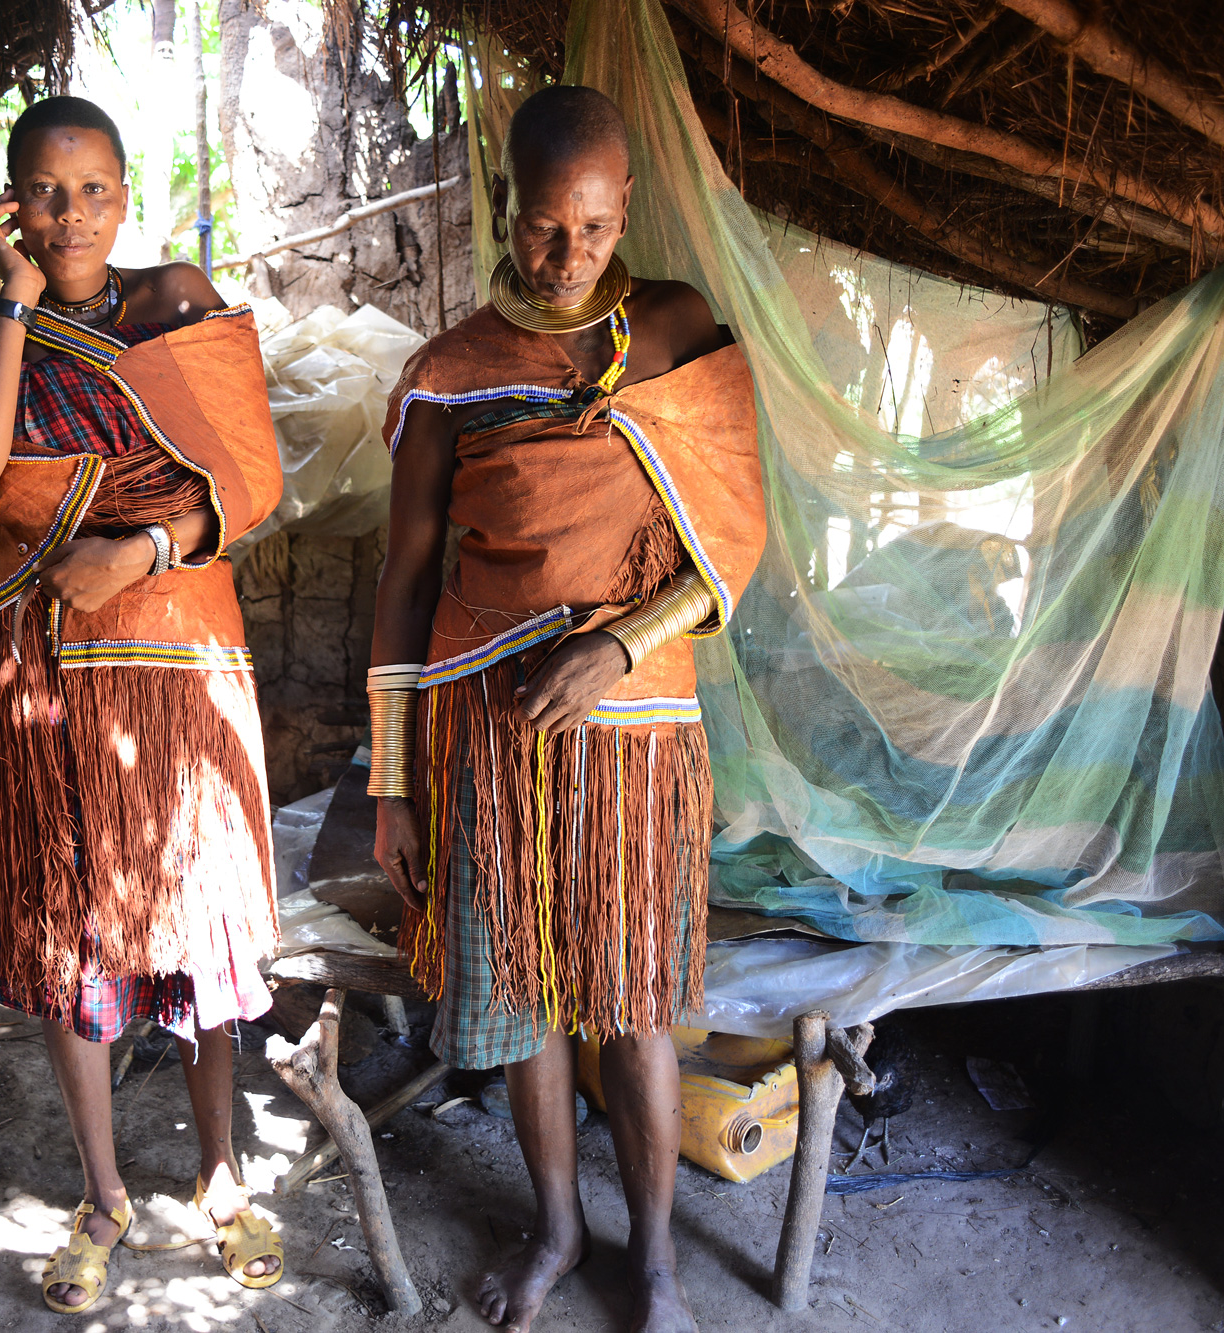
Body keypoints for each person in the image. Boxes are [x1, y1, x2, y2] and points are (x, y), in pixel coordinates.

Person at [368, 85, 766, 1333]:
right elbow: (405, 583)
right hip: (489, 742)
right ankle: (555, 1228)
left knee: (640, 1004)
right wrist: (390, 780)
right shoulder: (449, 373)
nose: (568, 256)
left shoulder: (678, 335)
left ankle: (650, 1261)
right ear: (507, 202)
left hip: (638, 737)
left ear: (626, 210)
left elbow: (734, 545)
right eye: (546, 227)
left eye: (593, 230)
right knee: (524, 1000)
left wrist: (619, 645)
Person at [0, 95, 285, 1315]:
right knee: (69, 932)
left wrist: (139, 550)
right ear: (6, 202)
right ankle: (106, 1190)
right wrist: (15, 297)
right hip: (40, 680)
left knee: (198, 928)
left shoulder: (176, 302)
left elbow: (250, 482)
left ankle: (221, 1173)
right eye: (41, 191)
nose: (66, 214)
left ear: (125, 193)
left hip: (178, 665)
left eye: (89, 189)